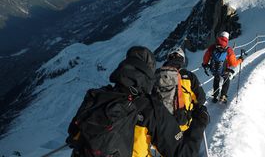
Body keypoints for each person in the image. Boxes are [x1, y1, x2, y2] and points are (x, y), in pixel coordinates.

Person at [67, 46, 209, 157]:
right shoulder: (150, 108)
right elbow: (184, 154)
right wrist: (199, 123)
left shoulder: (97, 96)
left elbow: (73, 134)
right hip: (177, 125)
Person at [202, 31, 243, 103]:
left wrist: (205, 64)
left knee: (216, 78)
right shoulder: (228, 50)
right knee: (226, 79)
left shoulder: (212, 47)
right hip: (224, 70)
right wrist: (240, 60)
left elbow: (206, 58)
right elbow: (233, 63)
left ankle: (215, 96)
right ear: (227, 39)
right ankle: (223, 96)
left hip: (214, 69)